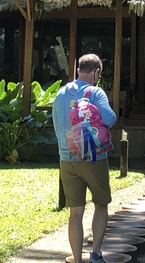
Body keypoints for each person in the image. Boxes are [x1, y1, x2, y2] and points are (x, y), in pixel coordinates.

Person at [53, 53, 117, 263]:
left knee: (75, 212)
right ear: (96, 72)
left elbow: (56, 124)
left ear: (78, 69)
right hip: (94, 158)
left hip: (66, 159)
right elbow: (109, 118)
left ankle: (77, 259)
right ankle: (96, 253)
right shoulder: (95, 92)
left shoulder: (61, 93)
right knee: (100, 204)